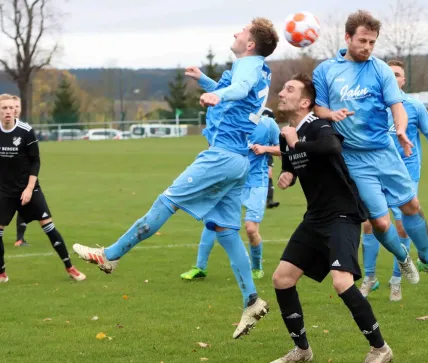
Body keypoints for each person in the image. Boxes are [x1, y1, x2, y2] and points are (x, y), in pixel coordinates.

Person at [72, 18, 279, 338]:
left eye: (242, 31)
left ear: (251, 44)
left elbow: (237, 89)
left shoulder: (248, 64)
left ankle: (109, 256)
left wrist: (218, 97)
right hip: (238, 161)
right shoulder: (258, 68)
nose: (236, 32)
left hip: (222, 156)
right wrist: (206, 82)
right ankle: (251, 301)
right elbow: (236, 90)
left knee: (165, 202)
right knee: (225, 232)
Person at [312, 10, 428, 288]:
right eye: (363, 41)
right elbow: (318, 106)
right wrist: (330, 115)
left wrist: (401, 129)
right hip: (352, 158)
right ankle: (403, 258)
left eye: (372, 43)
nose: (367, 48)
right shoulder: (326, 71)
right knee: (379, 222)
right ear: (347, 37)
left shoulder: (379, 69)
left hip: (384, 152)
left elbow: (397, 106)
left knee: (412, 205)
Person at [269, 74, 392, 363]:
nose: (282, 93)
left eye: (289, 89)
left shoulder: (319, 126)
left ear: (305, 102)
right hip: (315, 217)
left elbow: (332, 148)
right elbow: (292, 164)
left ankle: (380, 349)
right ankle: (301, 349)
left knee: (341, 282)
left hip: (342, 215)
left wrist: (295, 141)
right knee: (282, 279)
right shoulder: (286, 133)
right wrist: (288, 175)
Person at [360, 60, 428, 301]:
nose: (393, 78)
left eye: (397, 75)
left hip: (406, 174)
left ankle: (396, 280)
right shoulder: (372, 106)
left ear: (403, 80)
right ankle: (370, 277)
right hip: (376, 172)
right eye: (389, 74)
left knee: (402, 224)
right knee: (369, 224)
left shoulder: (414, 106)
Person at [180, 108, 280, 281]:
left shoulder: (268, 123)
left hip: (256, 182)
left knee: (250, 229)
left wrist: (264, 148)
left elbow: (283, 148)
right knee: (212, 222)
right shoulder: (230, 120)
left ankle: (256, 267)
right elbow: (213, 148)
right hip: (232, 179)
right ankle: (200, 267)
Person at [0, 94, 86, 283]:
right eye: (4, 108)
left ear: (15, 110)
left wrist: (29, 188)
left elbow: (35, 161)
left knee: (48, 226)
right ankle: (2, 273)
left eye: (10, 108)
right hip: (4, 191)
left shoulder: (25, 131)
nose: (8, 111)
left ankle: (70, 267)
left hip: (28, 187)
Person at [12, 95, 29, 247]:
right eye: (12, 107)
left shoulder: (24, 130)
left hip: (21, 177)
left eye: (17, 106)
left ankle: (20, 238)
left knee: (23, 205)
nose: (15, 110)